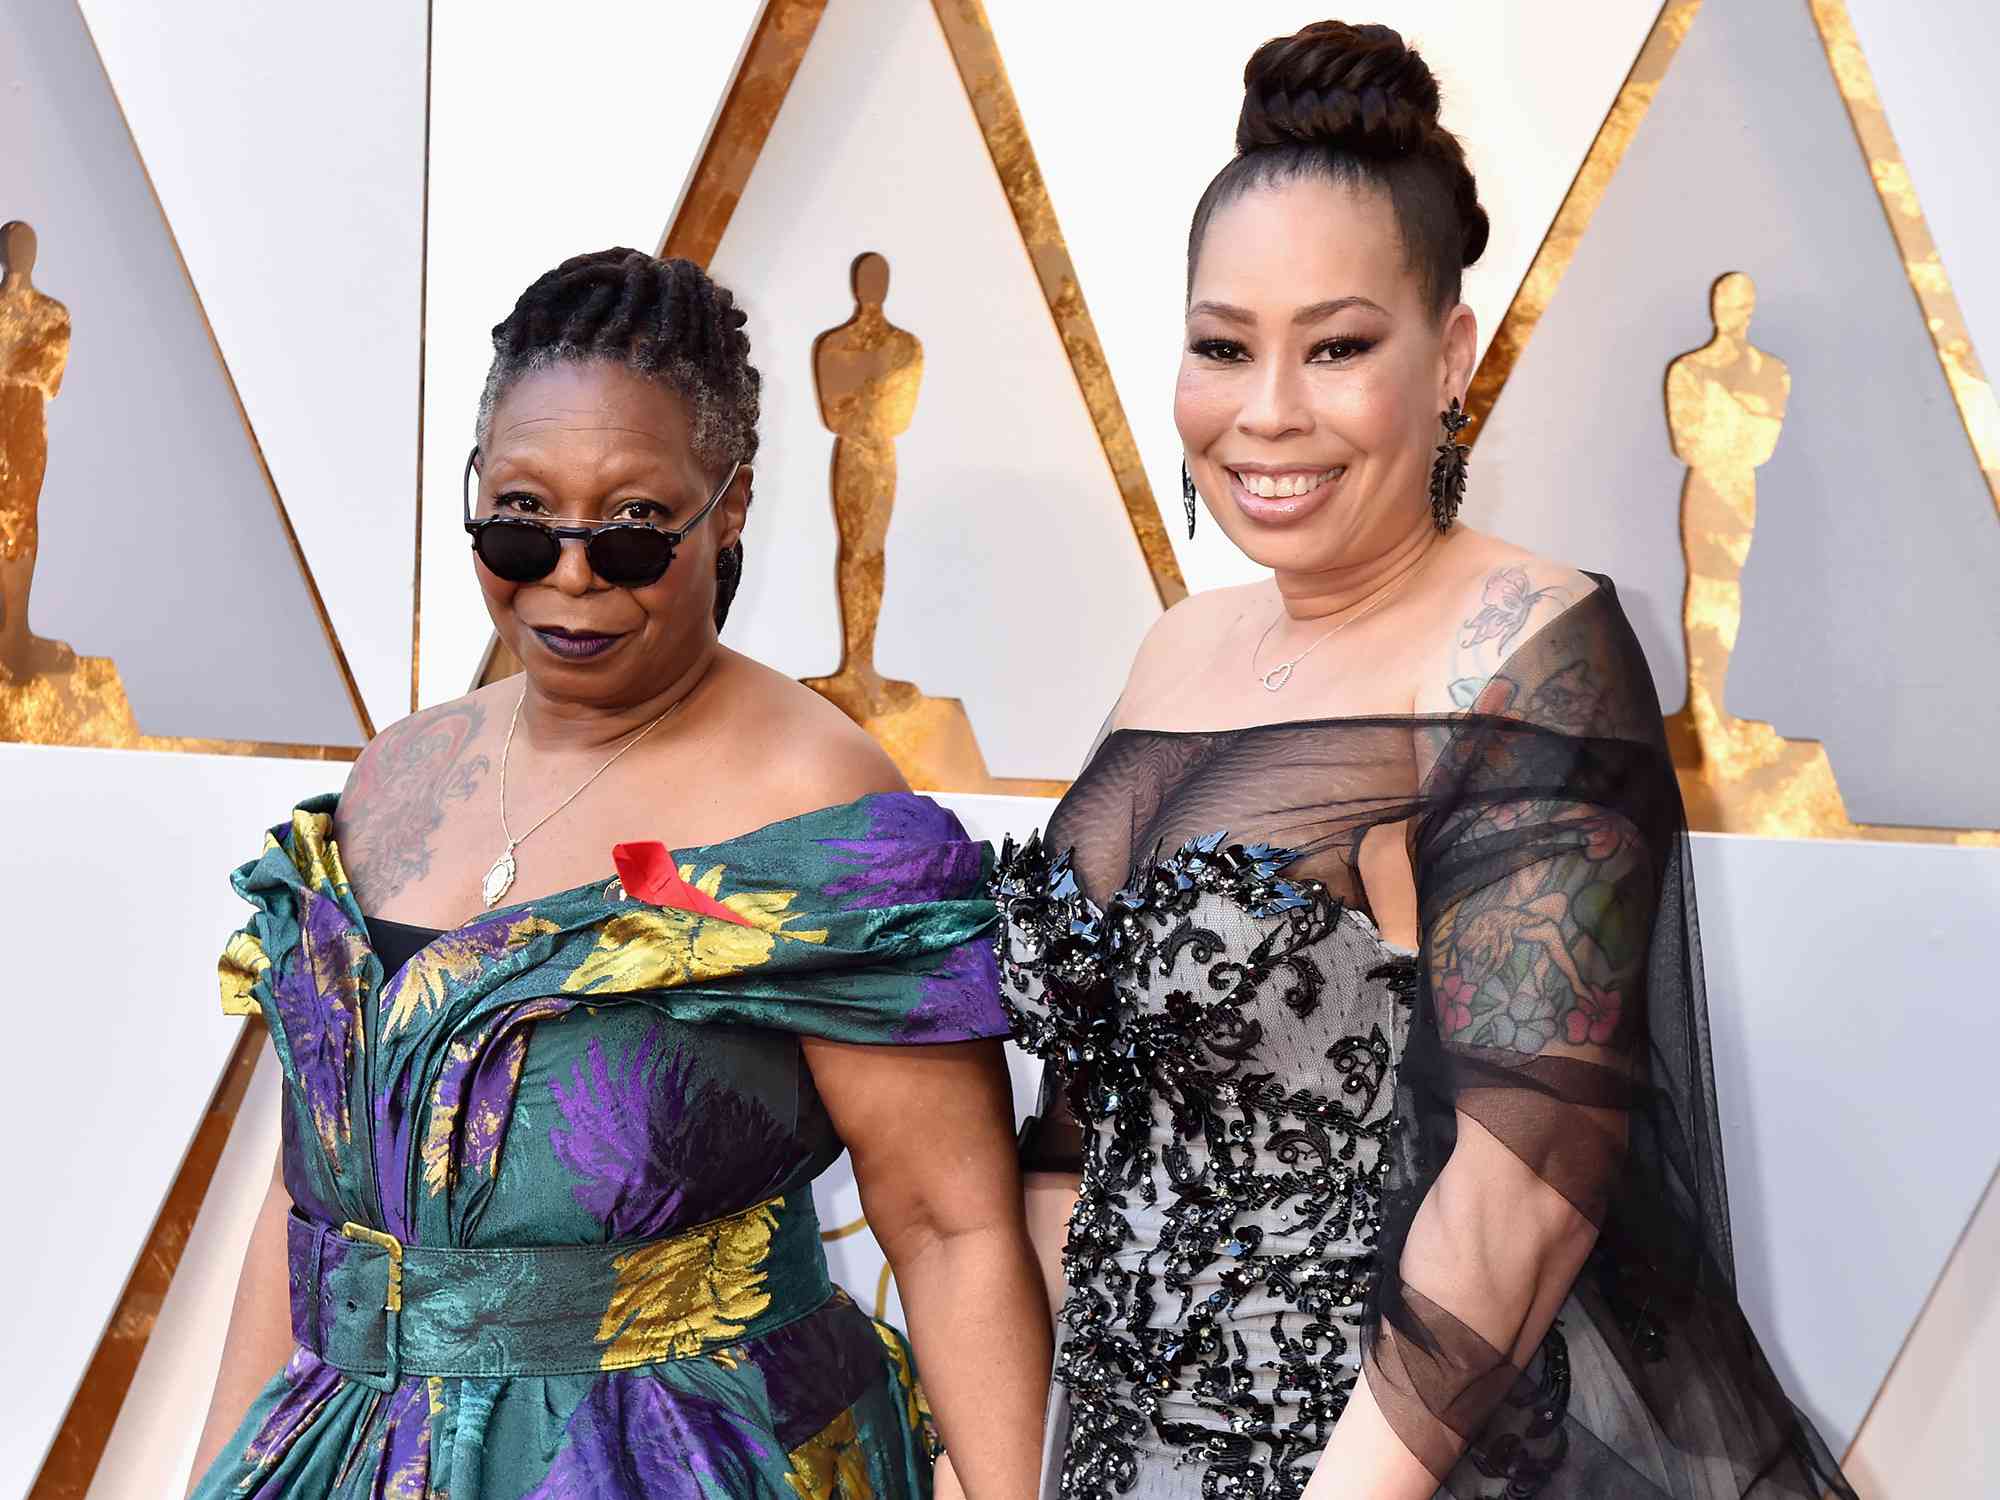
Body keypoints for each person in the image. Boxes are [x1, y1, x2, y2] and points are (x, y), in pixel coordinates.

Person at [1001, 23, 1855, 1500]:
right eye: (1222, 346)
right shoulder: (1174, 650)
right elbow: (1084, 1120)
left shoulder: (1529, 645)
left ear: (1448, 357)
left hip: (1390, 1458)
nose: (1266, 410)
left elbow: (1527, 1184)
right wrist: (1021, 1442)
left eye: (1337, 347)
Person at [188, 249, 1048, 1498]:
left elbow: (948, 1227)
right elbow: (313, 1217)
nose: (570, 576)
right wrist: (223, 1466)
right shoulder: (397, 777)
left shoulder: (817, 801)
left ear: (731, 503)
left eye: (636, 530)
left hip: (675, 1462)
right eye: (521, 521)